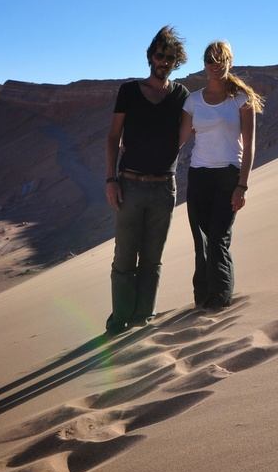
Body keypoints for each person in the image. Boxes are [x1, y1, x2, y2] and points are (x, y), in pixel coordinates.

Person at [103, 26, 189, 335]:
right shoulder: (129, 91)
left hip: (164, 187)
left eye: (169, 58)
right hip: (130, 184)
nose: (163, 62)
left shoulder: (181, 95)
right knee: (124, 255)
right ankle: (120, 319)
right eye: (159, 55)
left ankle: (142, 319)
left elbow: (186, 133)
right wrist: (111, 179)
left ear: (176, 61)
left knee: (153, 258)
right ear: (150, 57)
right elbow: (114, 137)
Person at [181, 40, 262, 310]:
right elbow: (178, 140)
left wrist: (243, 185)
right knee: (201, 239)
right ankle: (202, 296)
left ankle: (221, 298)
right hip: (199, 176)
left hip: (228, 175)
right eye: (210, 60)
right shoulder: (193, 101)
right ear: (204, 64)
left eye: (221, 59)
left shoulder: (241, 99)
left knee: (218, 237)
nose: (216, 66)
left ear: (230, 62)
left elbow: (249, 145)